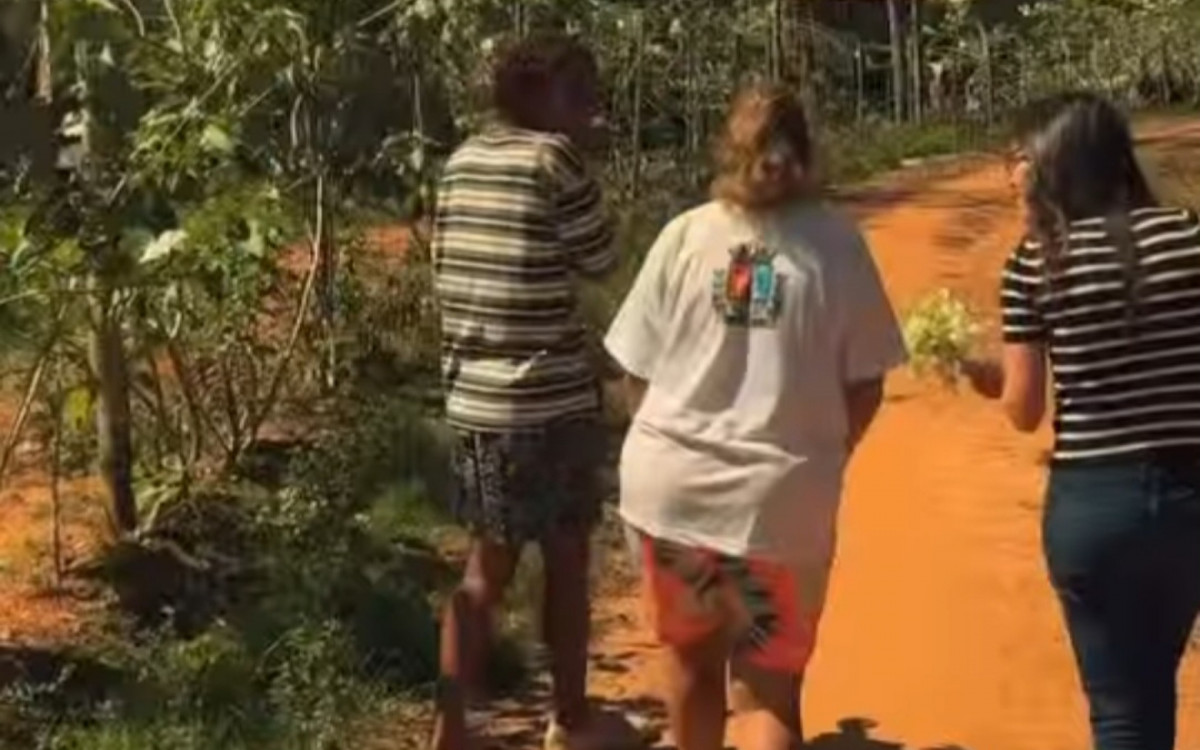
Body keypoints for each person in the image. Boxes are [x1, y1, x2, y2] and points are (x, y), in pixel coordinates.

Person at [604, 82, 908, 750]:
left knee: (688, 664)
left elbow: (634, 371)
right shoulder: (835, 247)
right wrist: (818, 454)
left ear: (726, 150)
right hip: (780, 506)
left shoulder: (685, 235)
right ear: (807, 153)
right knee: (767, 690)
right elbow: (866, 385)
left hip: (669, 495)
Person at [430, 32, 646, 750]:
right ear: (536, 96)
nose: (589, 109)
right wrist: (590, 165)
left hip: (476, 404)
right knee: (566, 557)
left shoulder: (458, 164)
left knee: (484, 568)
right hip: (547, 403)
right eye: (577, 95)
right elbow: (604, 256)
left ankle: (450, 728)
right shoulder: (554, 161)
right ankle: (572, 718)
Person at [964, 92, 1200, 750]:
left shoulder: (1038, 261)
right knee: (1156, 681)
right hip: (1188, 500)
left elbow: (1024, 410)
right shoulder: (1189, 235)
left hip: (1093, 507)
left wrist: (990, 380)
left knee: (1119, 706)